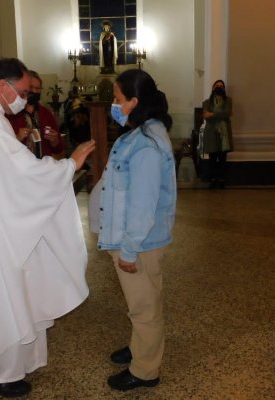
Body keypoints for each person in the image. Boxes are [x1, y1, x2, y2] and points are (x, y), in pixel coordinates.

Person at [0, 58, 95, 398]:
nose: (25, 98)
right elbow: (19, 172)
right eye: (23, 91)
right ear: (3, 86)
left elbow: (7, 172)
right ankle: (1, 375)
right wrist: (69, 165)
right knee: (4, 296)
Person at [97, 69, 176, 391]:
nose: (114, 105)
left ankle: (145, 370)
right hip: (137, 238)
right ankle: (138, 347)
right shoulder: (144, 131)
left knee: (144, 307)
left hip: (139, 242)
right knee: (142, 301)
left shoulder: (145, 145)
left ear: (134, 101)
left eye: (117, 99)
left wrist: (129, 250)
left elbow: (142, 206)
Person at [7, 70, 65, 159]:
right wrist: (17, 138)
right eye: (31, 87)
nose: (34, 91)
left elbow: (58, 148)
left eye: (38, 88)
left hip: (43, 165)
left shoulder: (46, 113)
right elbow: (3, 148)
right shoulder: (12, 114)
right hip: (20, 166)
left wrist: (55, 140)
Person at [202, 79, 233, 189]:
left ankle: (222, 179)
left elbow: (227, 113)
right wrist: (219, 114)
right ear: (213, 88)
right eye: (217, 85)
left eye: (221, 86)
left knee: (222, 158)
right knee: (212, 159)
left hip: (224, 135)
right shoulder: (206, 102)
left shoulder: (228, 101)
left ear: (224, 89)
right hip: (211, 133)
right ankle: (213, 179)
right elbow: (206, 116)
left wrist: (212, 114)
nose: (219, 87)